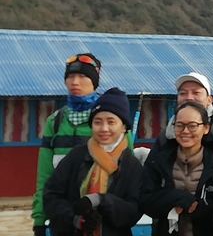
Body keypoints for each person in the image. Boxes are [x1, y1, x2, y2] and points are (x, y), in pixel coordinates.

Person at [42, 88, 142, 236]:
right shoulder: (76, 156)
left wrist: (102, 200)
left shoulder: (132, 166)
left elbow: (134, 212)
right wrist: (75, 219)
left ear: (124, 127)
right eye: (98, 122)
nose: (104, 128)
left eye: (111, 122)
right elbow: (51, 196)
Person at [32, 53, 103, 236]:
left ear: (95, 81)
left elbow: (126, 173)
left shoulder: (109, 121)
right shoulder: (55, 121)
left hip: (99, 216)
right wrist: (40, 219)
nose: (75, 82)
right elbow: (45, 175)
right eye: (70, 77)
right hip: (62, 215)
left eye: (82, 76)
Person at [141, 101, 213, 236]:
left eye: (192, 126)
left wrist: (196, 207)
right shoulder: (159, 161)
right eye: (180, 125)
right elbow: (145, 201)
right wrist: (178, 197)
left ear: (206, 128)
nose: (185, 131)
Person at [146, 72, 213, 169]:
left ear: (209, 100)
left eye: (196, 92)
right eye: (183, 93)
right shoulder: (166, 136)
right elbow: (150, 174)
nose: (189, 97)